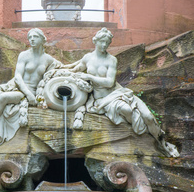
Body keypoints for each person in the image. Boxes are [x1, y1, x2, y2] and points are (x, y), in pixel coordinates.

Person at [65, 28, 179, 157]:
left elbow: (109, 82)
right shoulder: (87, 58)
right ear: (95, 41)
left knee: (147, 116)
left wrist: (90, 77)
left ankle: (162, 143)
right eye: (102, 41)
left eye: (107, 43)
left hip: (118, 93)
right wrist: (57, 69)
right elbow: (74, 69)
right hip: (102, 99)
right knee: (127, 110)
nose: (104, 45)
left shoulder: (111, 60)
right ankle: (144, 134)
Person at [0, 29, 60, 155]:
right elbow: (18, 77)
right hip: (19, 87)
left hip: (29, 91)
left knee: (2, 98)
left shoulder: (48, 59)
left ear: (43, 39)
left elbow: (66, 68)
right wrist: (29, 95)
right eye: (30, 37)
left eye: (35, 37)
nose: (31, 39)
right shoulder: (24, 55)